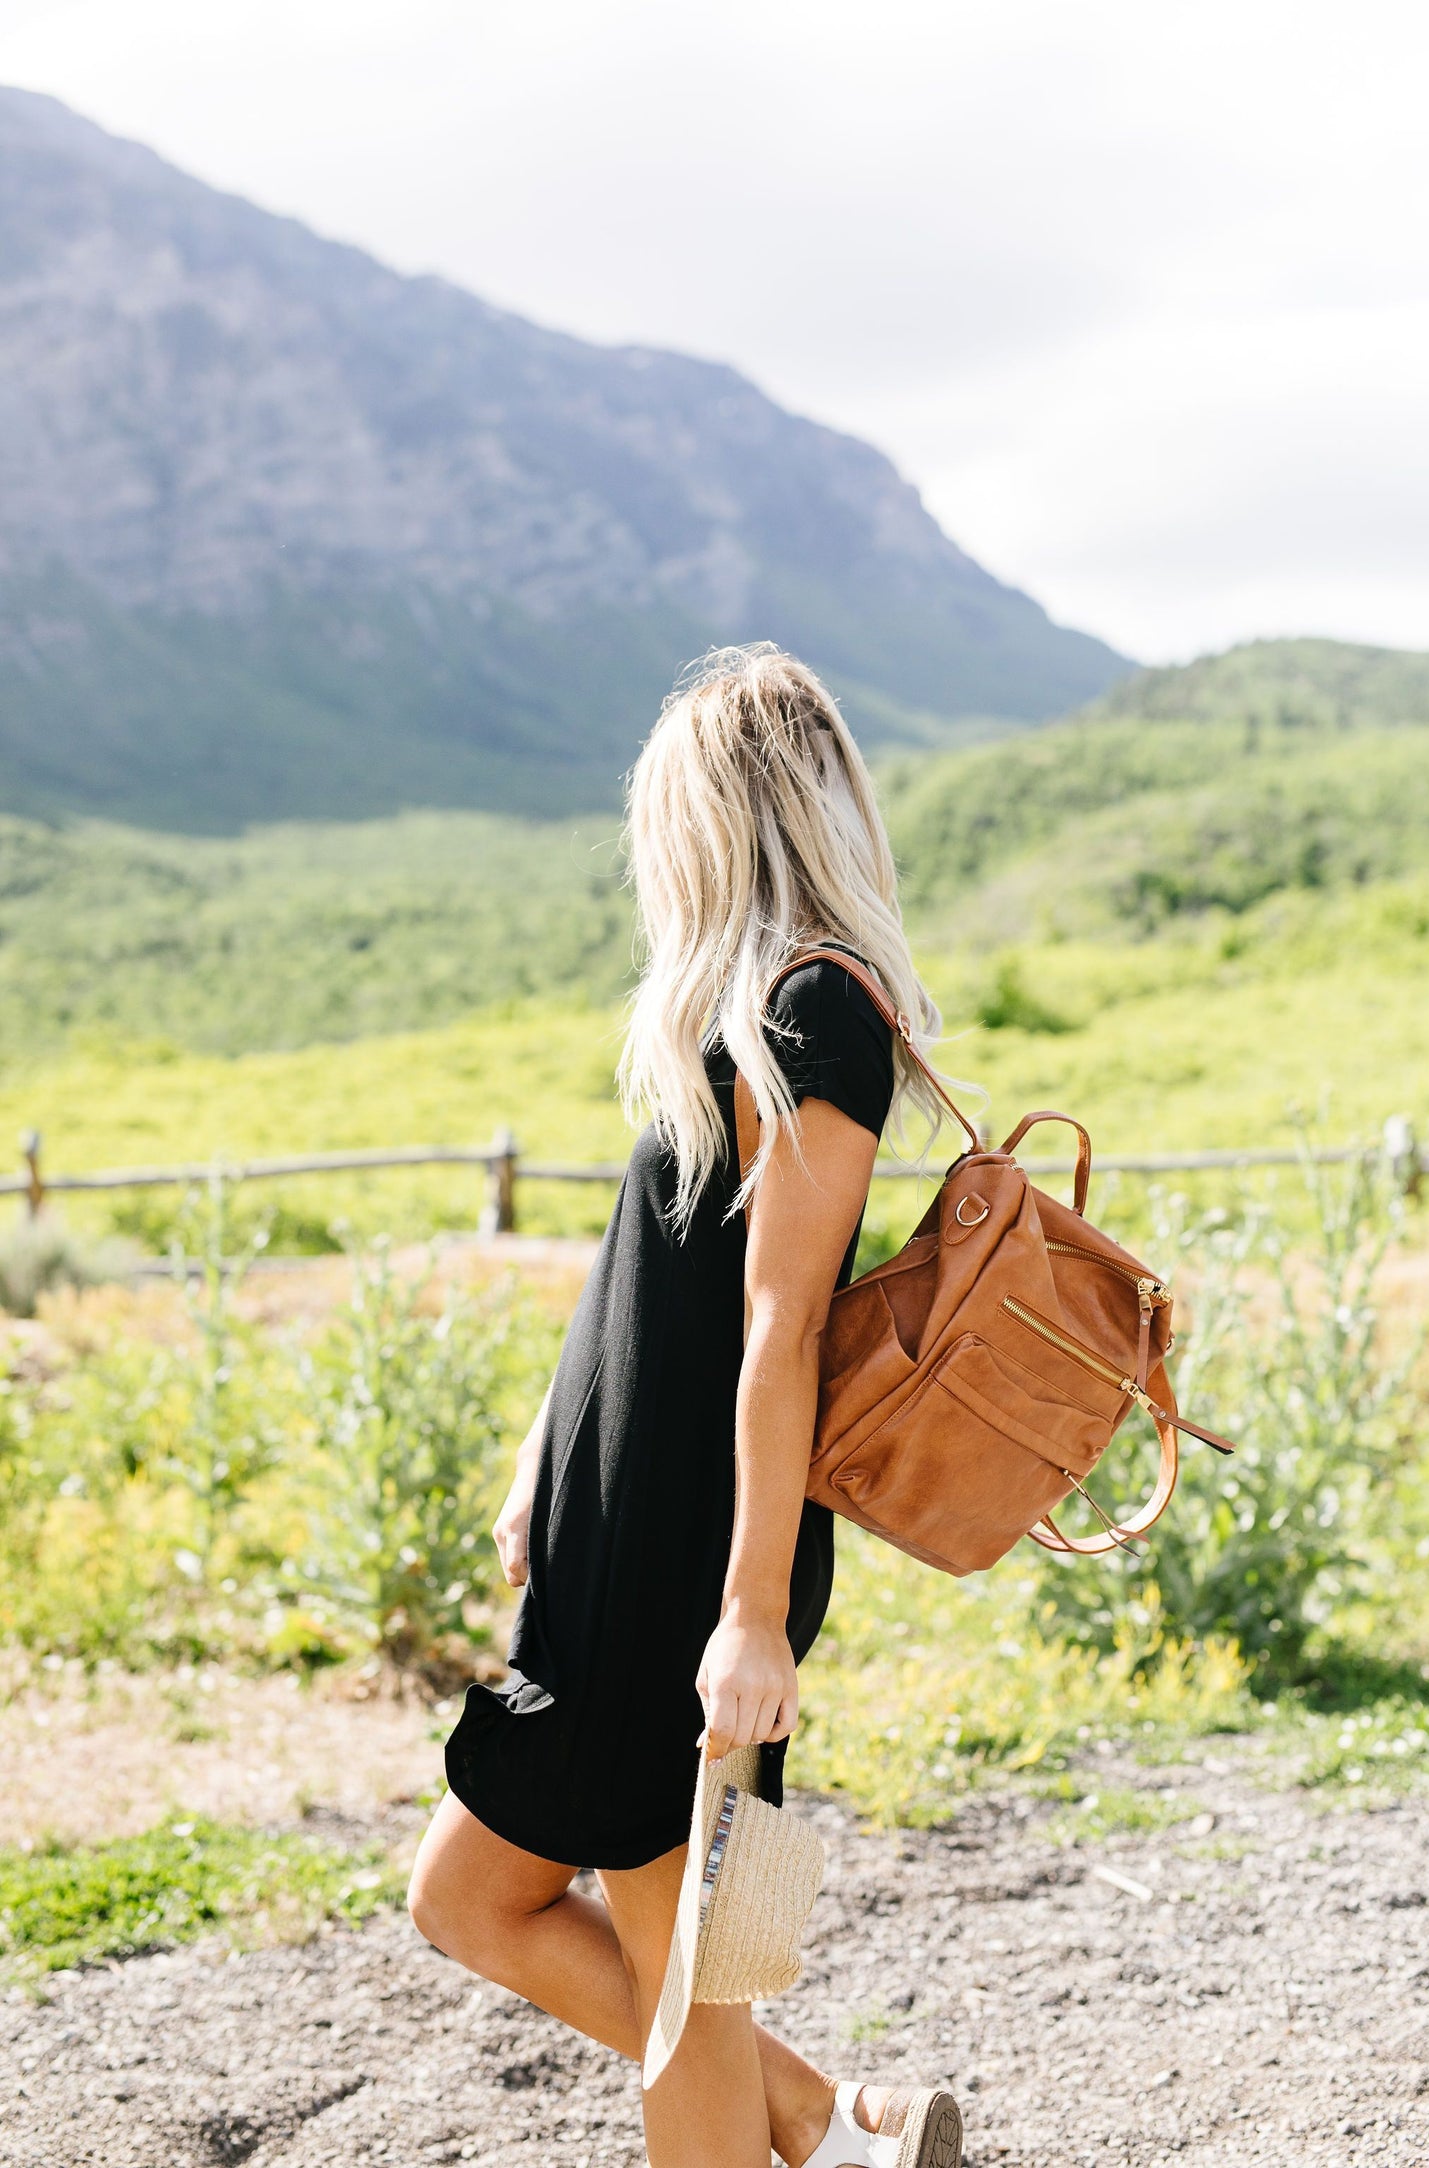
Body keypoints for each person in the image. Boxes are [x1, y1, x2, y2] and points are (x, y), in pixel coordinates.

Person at [408, 646, 963, 2168]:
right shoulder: (728, 1011)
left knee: (692, 1989)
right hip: (612, 1550)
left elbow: (778, 1332)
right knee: (469, 1899)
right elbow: (646, 1280)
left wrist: (756, 1620)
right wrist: (539, 1449)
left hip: (694, 1570)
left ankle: (818, 2122)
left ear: (724, 818)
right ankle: (836, 2123)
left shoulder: (820, 1015)